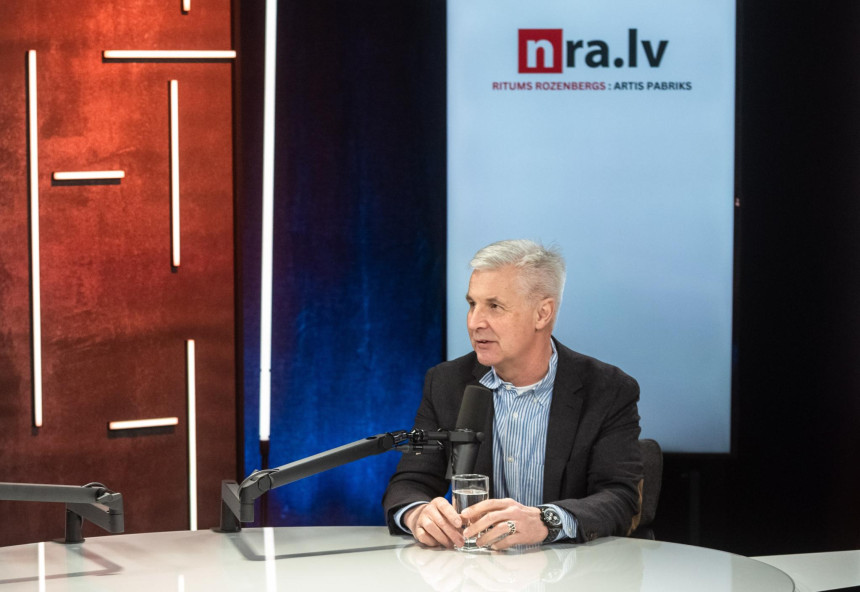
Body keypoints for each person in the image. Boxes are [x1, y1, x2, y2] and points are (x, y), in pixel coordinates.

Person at [382, 239, 643, 550]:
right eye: (472, 304)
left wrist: (546, 521)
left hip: (568, 568)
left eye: (494, 306)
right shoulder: (446, 383)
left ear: (542, 314)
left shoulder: (608, 389)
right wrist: (418, 514)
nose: (475, 322)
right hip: (474, 569)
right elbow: (411, 483)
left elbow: (620, 497)